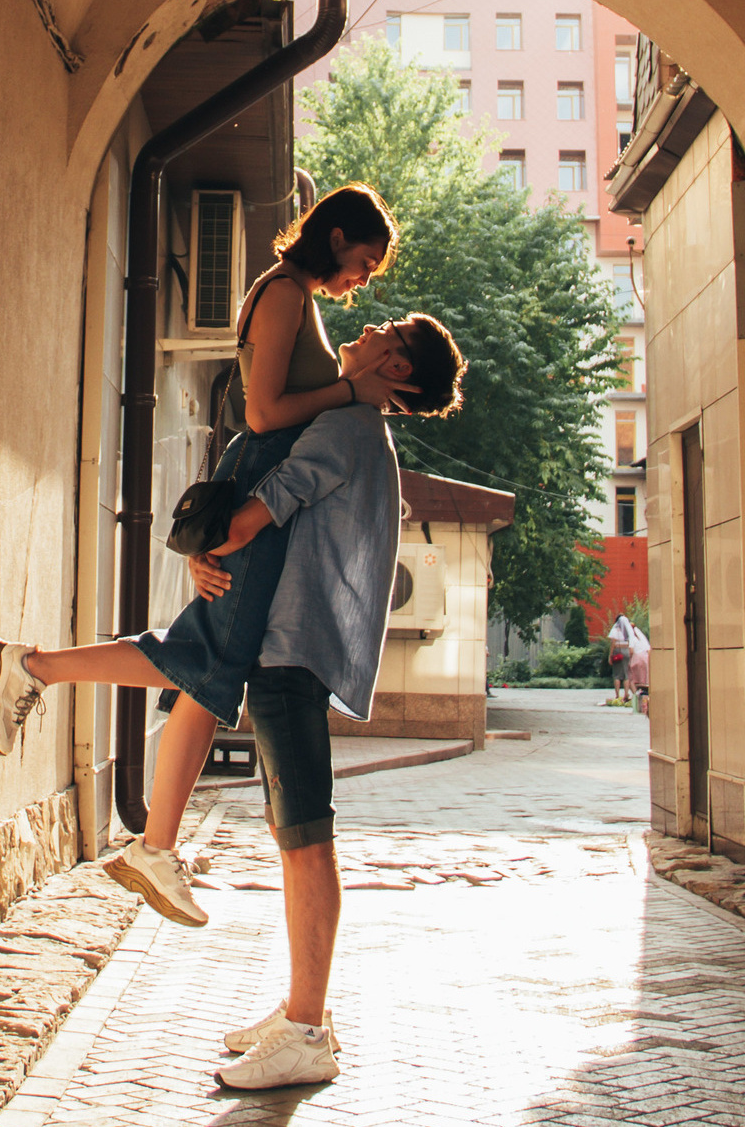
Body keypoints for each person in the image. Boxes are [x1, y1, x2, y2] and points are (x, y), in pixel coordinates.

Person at [0, 184, 409, 930]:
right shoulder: (282, 294)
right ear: (337, 237)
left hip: (256, 499)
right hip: (256, 491)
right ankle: (149, 837)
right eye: (364, 263)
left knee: (199, 661)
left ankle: (42, 681)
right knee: (206, 665)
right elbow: (263, 412)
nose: (362, 282)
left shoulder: (298, 299)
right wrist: (346, 391)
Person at [200, 316, 468, 1090]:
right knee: (297, 833)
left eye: (388, 329)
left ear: (393, 361)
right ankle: (299, 1011)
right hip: (297, 651)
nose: (370, 324)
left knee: (305, 836)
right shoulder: (363, 432)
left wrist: (206, 555)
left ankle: (308, 1031)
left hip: (291, 652)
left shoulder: (348, 424)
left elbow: (270, 502)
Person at [607, 613, 633, 700]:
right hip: (626, 650)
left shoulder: (615, 629)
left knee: (617, 674)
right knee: (626, 674)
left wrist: (610, 655)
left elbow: (613, 642)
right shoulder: (627, 630)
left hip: (618, 651)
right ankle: (626, 694)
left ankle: (617, 695)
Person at [627, 617, 650, 712]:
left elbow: (631, 650)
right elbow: (649, 648)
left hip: (637, 657)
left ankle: (635, 697)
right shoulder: (641, 636)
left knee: (630, 677)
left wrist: (629, 660)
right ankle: (645, 698)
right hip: (645, 657)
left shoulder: (631, 637)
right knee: (644, 679)